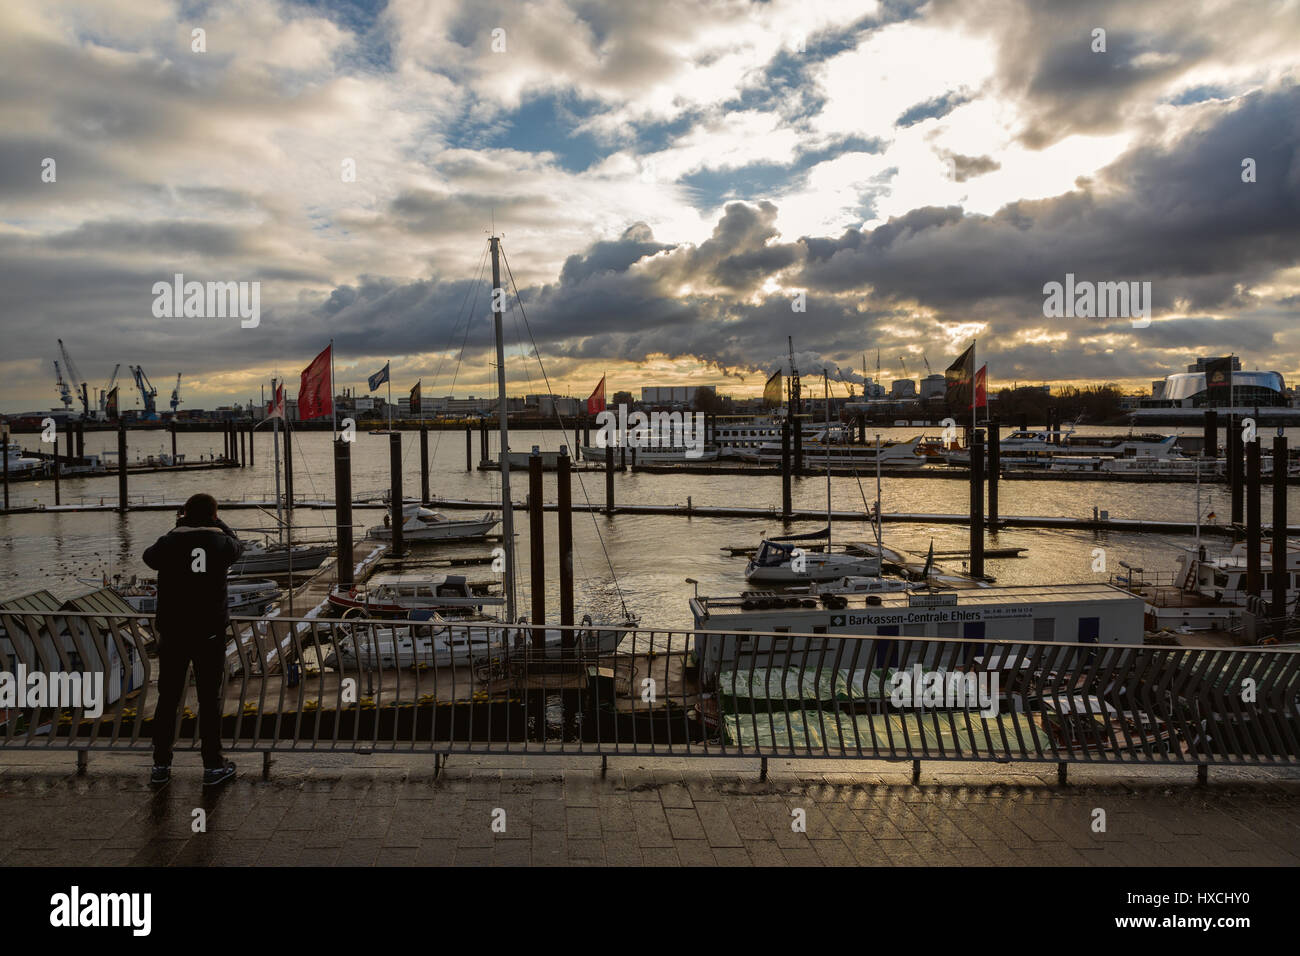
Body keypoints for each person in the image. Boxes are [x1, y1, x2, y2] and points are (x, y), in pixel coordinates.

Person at [142, 492, 244, 787]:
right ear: (213, 515)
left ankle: (160, 764)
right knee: (209, 700)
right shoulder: (221, 543)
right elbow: (237, 544)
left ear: (185, 514)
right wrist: (218, 523)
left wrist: (177, 527)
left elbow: (149, 557)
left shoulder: (170, 542)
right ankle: (213, 764)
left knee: (168, 699)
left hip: (173, 633)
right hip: (209, 633)